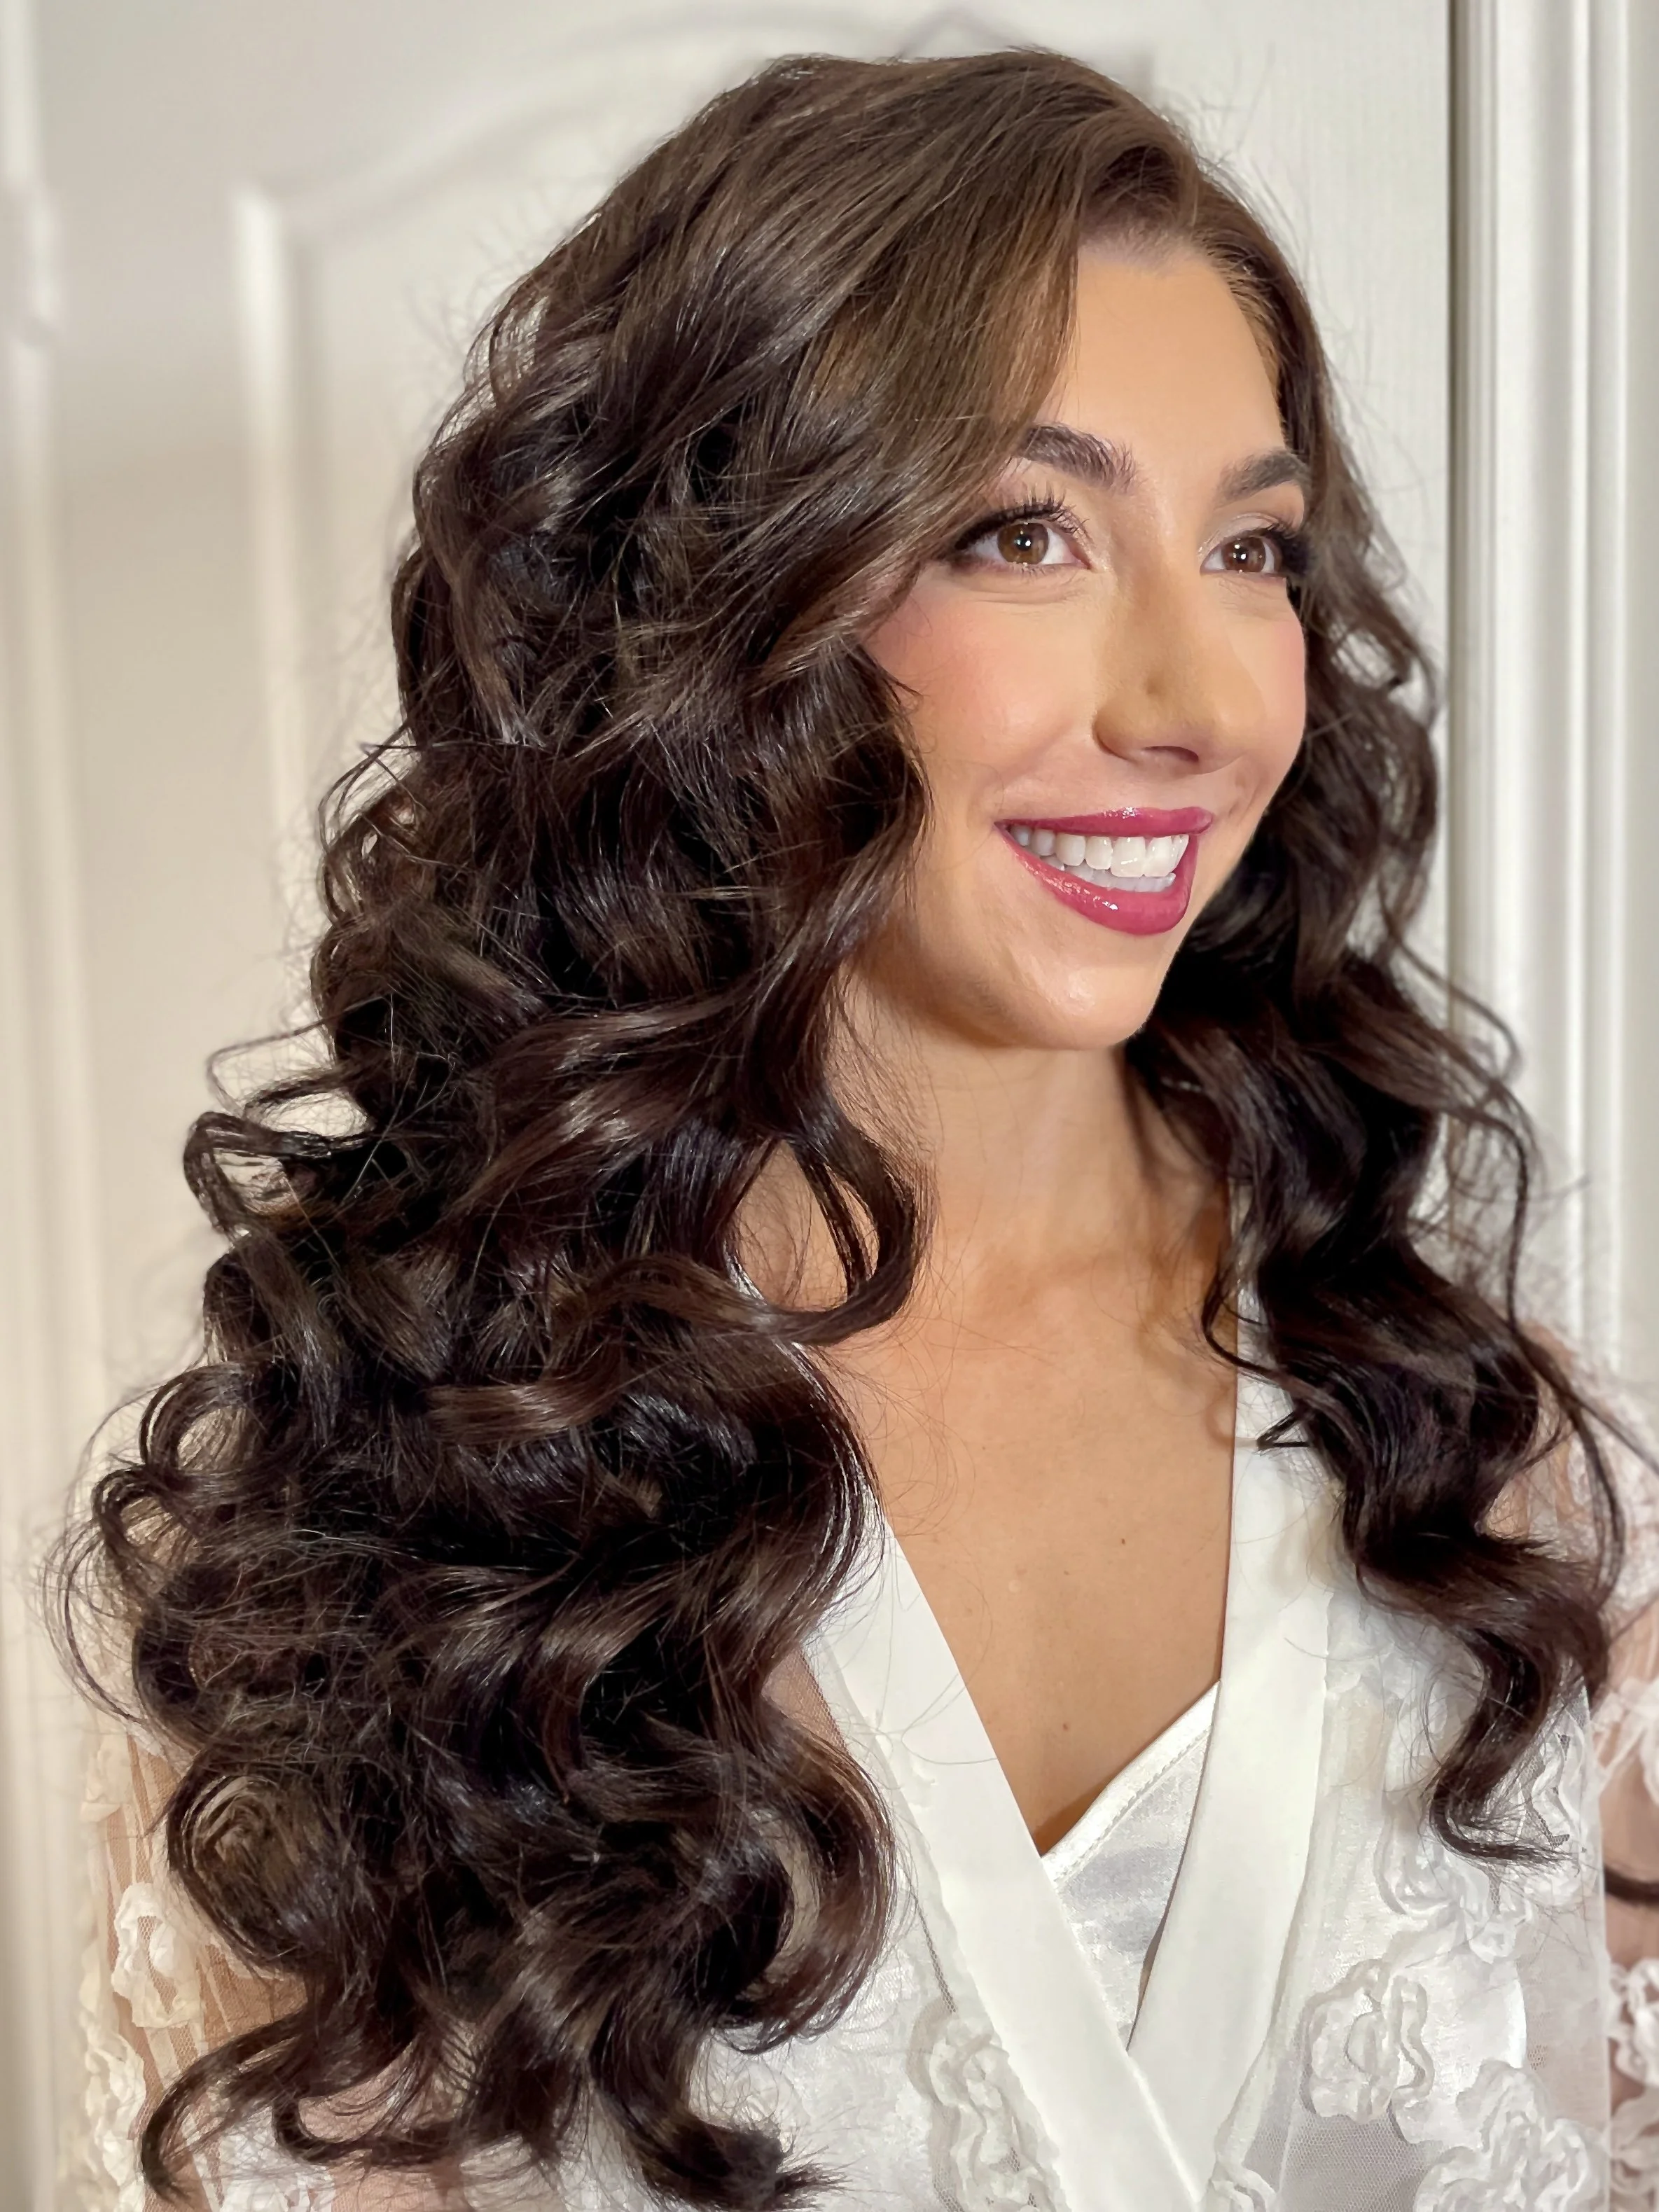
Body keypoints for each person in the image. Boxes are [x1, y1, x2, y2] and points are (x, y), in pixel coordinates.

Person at [57, 45, 1659, 2212]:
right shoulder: (388, 1509)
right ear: (724, 605)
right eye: (1024, 530)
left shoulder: (1463, 1438)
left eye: (1255, 546)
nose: (1195, 700)